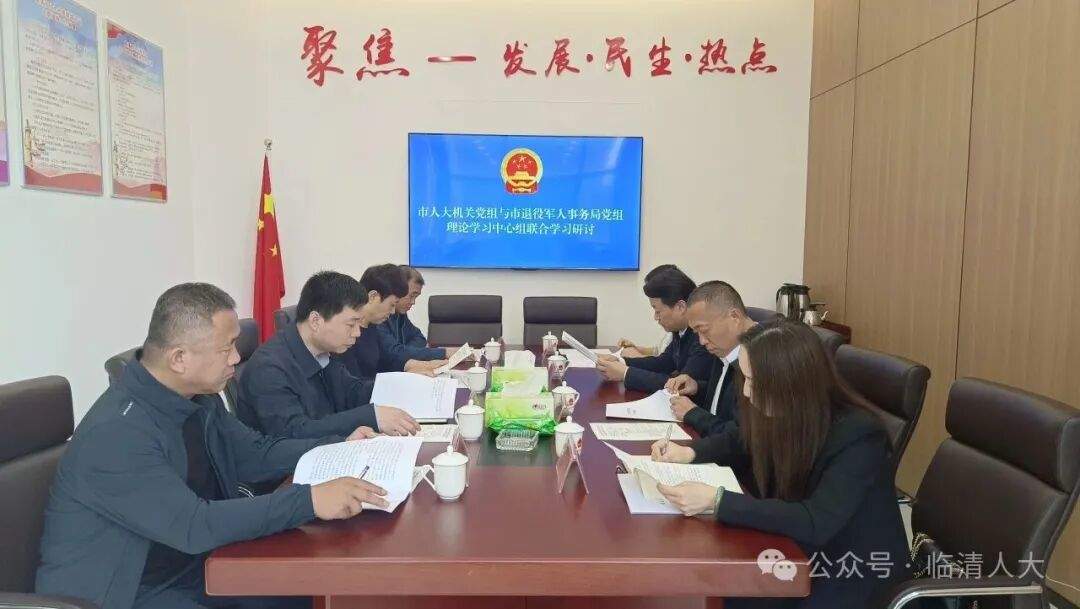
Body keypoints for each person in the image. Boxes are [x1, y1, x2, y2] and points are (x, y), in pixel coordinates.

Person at [36, 283, 390, 609]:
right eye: (226, 348)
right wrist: (309, 500)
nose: (236, 357)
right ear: (179, 358)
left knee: (310, 589)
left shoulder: (197, 399)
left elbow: (255, 454)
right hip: (127, 591)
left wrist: (341, 447)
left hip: (194, 563)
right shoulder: (118, 433)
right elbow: (193, 524)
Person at [651, 319, 909, 609]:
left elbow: (817, 520)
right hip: (797, 549)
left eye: (753, 382)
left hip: (851, 571)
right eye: (745, 379)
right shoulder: (789, 410)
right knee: (716, 584)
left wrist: (718, 500)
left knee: (731, 593)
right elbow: (742, 440)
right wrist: (690, 452)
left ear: (790, 383)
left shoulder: (860, 437)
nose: (746, 392)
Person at [239, 271, 419, 440]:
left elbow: (352, 391)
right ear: (316, 321)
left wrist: (404, 387)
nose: (357, 333)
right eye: (351, 324)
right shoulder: (269, 369)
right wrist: (372, 416)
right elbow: (295, 432)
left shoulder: (322, 351)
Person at [596, 265, 711, 393]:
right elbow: (664, 362)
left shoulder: (702, 337)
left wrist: (625, 373)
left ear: (680, 307)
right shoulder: (681, 330)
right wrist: (621, 362)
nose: (655, 317)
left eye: (658, 311)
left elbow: (682, 386)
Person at [664, 280, 757, 437]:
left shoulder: (762, 359)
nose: (702, 341)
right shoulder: (724, 346)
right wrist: (697, 388)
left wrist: (693, 414)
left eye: (704, 330)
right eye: (697, 333)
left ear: (734, 317)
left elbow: (741, 438)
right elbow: (724, 404)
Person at [340, 263, 446, 380]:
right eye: (392, 304)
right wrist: (402, 377)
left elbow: (389, 359)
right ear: (373, 297)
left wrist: (426, 365)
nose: (392, 311)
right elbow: (354, 384)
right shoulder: (346, 333)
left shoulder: (372, 325)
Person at [377, 265, 456, 362]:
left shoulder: (400, 314)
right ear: (397, 289)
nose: (413, 302)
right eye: (411, 296)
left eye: (416, 297)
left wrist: (405, 351)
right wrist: (443, 353)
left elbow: (419, 338)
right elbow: (394, 353)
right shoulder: (378, 316)